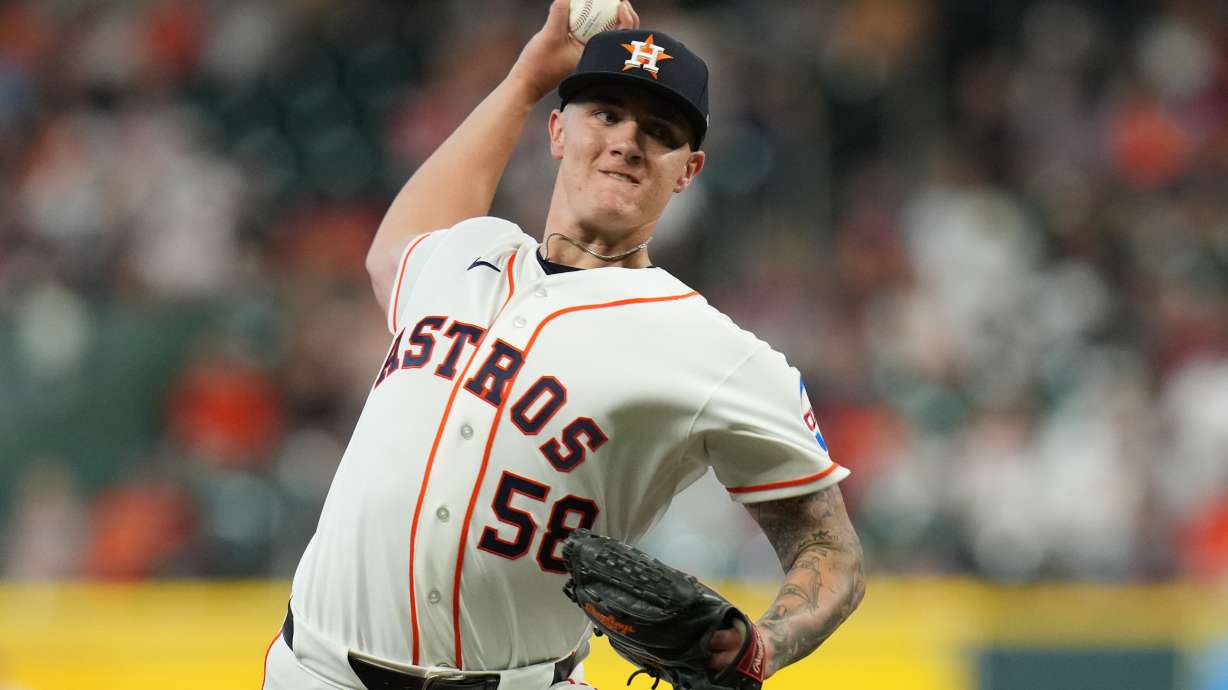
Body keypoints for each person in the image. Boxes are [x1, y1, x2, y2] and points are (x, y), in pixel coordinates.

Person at [262, 2, 865, 688]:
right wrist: (526, 77)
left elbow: (830, 548)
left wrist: (763, 647)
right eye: (605, 114)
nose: (627, 141)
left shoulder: (715, 352)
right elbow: (392, 249)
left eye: (659, 131)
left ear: (688, 170)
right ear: (556, 130)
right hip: (312, 671)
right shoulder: (465, 253)